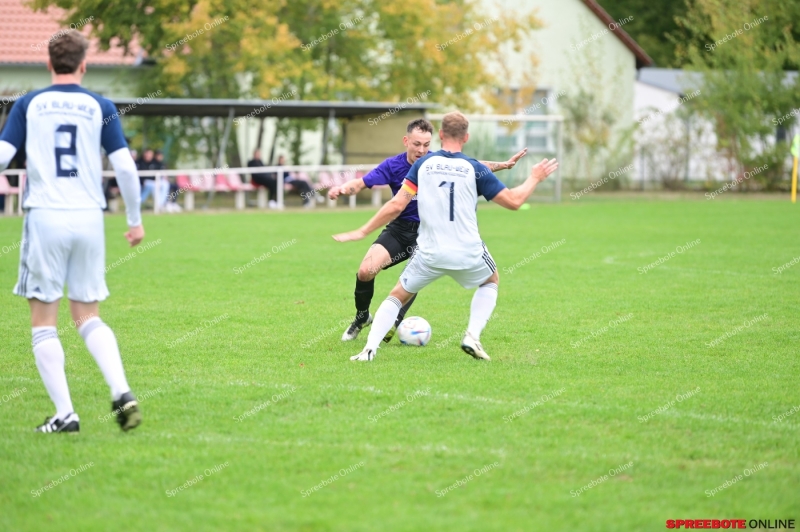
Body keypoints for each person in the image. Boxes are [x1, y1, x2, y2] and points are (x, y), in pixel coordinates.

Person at [0, 29, 146, 431]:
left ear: (49, 64)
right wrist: (134, 221)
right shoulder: (101, 106)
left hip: (46, 215)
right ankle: (121, 390)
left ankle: (66, 414)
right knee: (86, 316)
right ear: (84, 65)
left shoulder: (29, 103)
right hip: (89, 218)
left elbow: (3, 157)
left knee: (44, 320)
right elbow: (127, 169)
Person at [332, 111, 558, 361]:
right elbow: (511, 198)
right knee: (490, 280)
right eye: (416, 144)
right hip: (457, 246)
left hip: (428, 246)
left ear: (439, 136)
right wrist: (535, 176)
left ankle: (370, 348)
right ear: (467, 137)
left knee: (397, 293)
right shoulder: (471, 168)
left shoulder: (424, 165)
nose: (421, 149)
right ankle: (471, 335)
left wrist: (363, 231)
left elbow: (396, 204)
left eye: (426, 144)